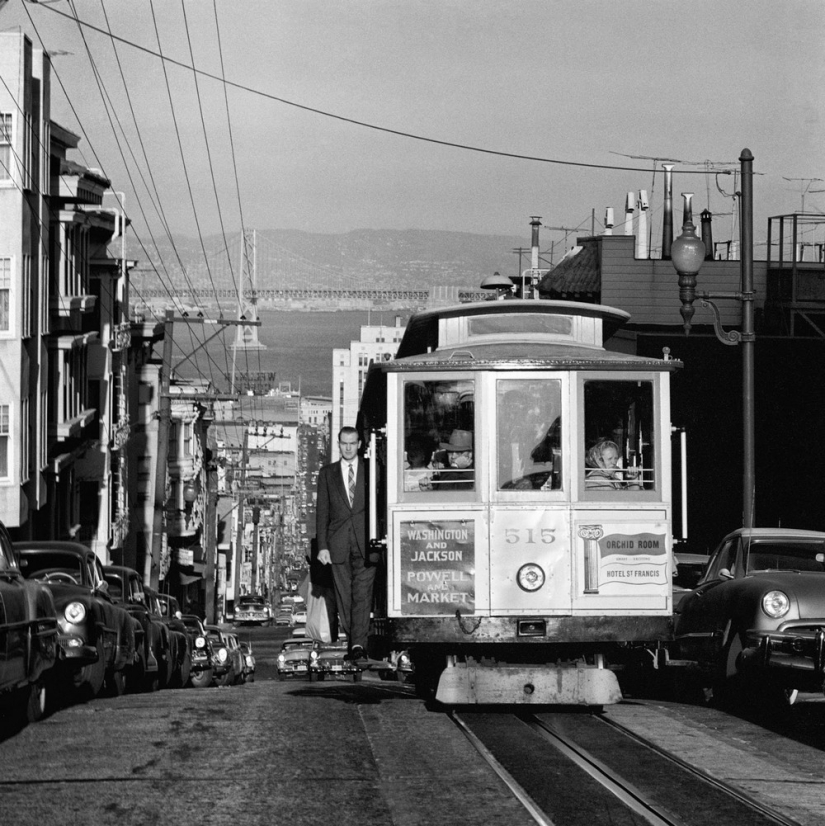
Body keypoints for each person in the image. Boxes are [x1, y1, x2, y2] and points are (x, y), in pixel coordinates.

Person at [316, 426, 373, 661]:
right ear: (338, 444)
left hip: (366, 544)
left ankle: (358, 644)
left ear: (359, 444)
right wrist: (322, 546)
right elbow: (322, 513)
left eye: (352, 443)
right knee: (344, 597)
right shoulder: (327, 473)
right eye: (344, 443)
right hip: (337, 544)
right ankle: (353, 639)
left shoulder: (371, 470)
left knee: (362, 595)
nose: (348, 447)